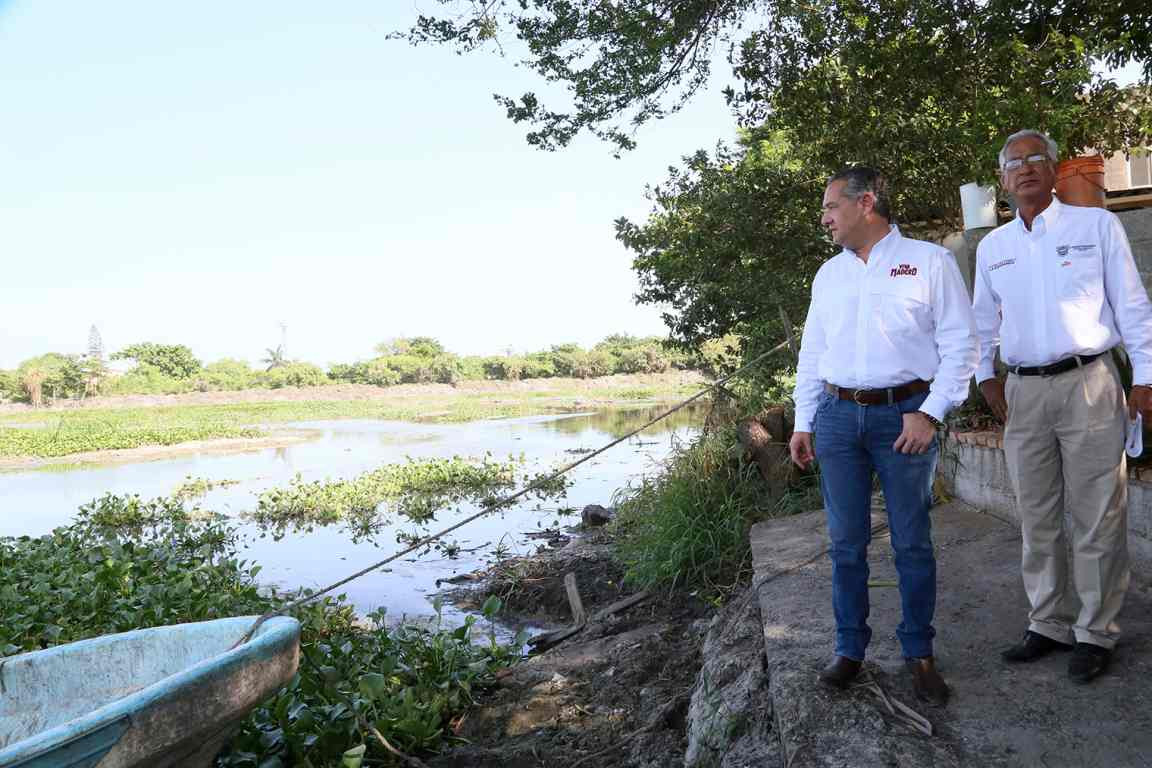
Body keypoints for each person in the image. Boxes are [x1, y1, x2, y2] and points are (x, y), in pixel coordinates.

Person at [789, 167, 977, 706]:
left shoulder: (929, 262)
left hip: (905, 417)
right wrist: (804, 420)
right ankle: (850, 649)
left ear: (866, 203)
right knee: (845, 544)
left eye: (831, 206)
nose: (824, 218)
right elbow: (812, 353)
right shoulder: (828, 275)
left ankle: (919, 653)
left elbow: (961, 345)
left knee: (911, 542)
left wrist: (930, 413)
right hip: (837, 417)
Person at [972, 129, 1152, 683]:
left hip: (1089, 382)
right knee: (1036, 513)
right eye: (1014, 163)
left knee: (1099, 513)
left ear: (1053, 171)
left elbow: (1132, 306)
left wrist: (1145, 380)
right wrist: (986, 379)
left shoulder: (1095, 226)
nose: (1025, 168)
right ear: (1002, 180)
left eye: (1036, 159)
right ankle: (1048, 621)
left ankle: (1095, 632)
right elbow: (982, 323)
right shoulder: (993, 248)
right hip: (1024, 391)